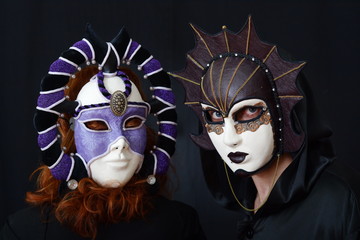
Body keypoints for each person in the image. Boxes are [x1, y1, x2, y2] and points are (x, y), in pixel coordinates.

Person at [0, 25, 205, 240]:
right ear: (66, 128)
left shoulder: (180, 224)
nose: (120, 142)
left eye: (133, 122)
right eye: (97, 125)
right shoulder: (23, 232)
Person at [170, 16, 360, 239]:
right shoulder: (247, 198)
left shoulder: (340, 202)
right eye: (214, 115)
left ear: (284, 110)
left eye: (249, 111)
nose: (230, 138)